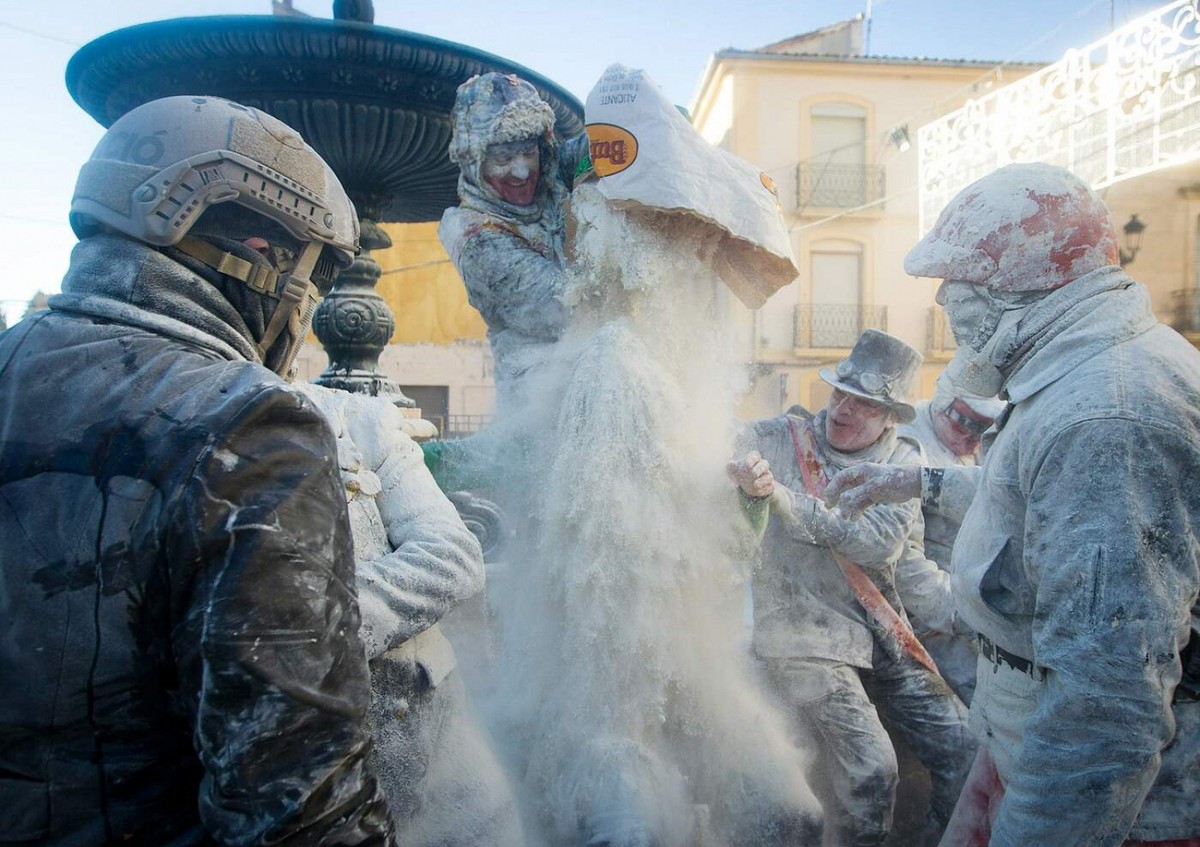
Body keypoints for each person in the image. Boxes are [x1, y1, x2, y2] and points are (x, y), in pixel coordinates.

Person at [0, 96, 396, 845]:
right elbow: (300, 800)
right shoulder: (252, 423)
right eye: (306, 279)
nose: (303, 313)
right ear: (257, 250)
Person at [826, 163, 1200, 846]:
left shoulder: (1108, 416)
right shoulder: (1077, 372)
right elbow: (1036, 504)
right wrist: (915, 483)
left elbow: (1105, 708)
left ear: (1017, 285)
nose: (944, 302)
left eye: (959, 286)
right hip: (1020, 734)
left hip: (1110, 801)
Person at [740, 329, 975, 847]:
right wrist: (738, 472)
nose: (845, 411)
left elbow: (876, 546)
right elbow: (712, 450)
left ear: (891, 417)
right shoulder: (780, 437)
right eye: (841, 395)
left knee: (963, 745)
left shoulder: (903, 464)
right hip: (808, 630)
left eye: (865, 406)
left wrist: (783, 499)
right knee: (871, 768)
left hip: (884, 630)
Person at [294, 382, 526, 846]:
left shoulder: (358, 420)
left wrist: (307, 627)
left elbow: (454, 556)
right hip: (318, 770)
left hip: (446, 764)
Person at [438, 72, 588, 414]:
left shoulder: (550, 177)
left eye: (527, 153)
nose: (521, 172)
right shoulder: (474, 238)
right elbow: (565, 311)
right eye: (503, 158)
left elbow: (598, 149)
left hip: (588, 378)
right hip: (538, 406)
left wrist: (639, 122)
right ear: (474, 160)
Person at [897, 373, 1004, 704]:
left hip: (980, 607)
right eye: (965, 424)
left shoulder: (978, 446)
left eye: (985, 430)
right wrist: (957, 616)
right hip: (930, 620)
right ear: (943, 406)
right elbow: (903, 560)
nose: (974, 440)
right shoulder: (907, 450)